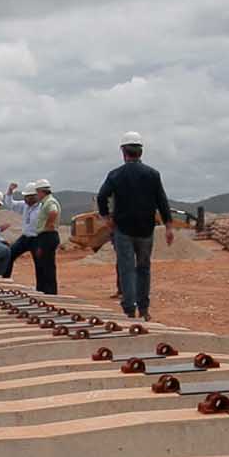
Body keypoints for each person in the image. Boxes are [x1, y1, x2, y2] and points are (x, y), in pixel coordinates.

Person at [95, 133, 176, 319]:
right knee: (144, 268)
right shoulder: (153, 174)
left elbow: (101, 197)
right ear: (141, 152)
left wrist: (106, 217)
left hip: (123, 229)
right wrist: (169, 226)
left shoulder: (115, 175)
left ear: (124, 152)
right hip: (146, 230)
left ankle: (129, 310)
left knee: (127, 269)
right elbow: (162, 201)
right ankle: (145, 310)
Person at [23, 178, 62, 294]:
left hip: (47, 236)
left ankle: (49, 292)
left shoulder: (49, 202)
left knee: (46, 265)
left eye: (37, 193)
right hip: (47, 236)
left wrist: (48, 225)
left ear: (41, 191)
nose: (36, 196)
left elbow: (53, 212)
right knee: (45, 264)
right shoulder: (46, 201)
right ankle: (45, 290)